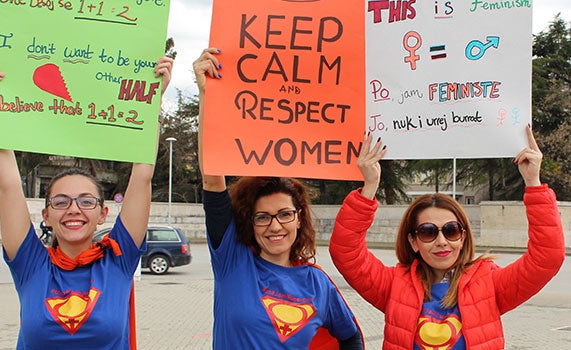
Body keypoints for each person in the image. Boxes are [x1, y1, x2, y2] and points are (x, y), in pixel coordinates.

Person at [0, 55, 173, 349]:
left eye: (86, 201)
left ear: (103, 213)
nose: (74, 209)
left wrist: (153, 101)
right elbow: (10, 185)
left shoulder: (119, 259)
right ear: (46, 214)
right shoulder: (30, 264)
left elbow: (142, 177)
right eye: (61, 202)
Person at [329, 127, 565, 349]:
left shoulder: (489, 284)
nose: (442, 241)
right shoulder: (394, 285)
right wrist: (369, 187)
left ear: (462, 237)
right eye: (428, 232)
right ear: (414, 241)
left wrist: (533, 183)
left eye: (451, 230)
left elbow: (546, 258)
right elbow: (346, 252)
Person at [194, 47, 364, 349]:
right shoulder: (233, 261)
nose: (275, 226)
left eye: (284, 214)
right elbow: (212, 178)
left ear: (299, 218)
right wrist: (209, 95)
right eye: (263, 217)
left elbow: (350, 336)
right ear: (251, 222)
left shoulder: (317, 283)